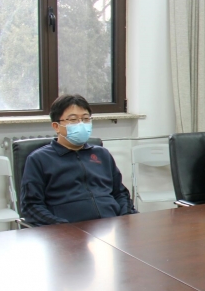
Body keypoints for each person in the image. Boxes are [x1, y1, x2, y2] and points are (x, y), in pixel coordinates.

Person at [20, 94, 137, 226]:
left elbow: (120, 193)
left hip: (111, 226)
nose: (81, 124)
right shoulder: (39, 159)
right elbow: (31, 206)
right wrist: (62, 227)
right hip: (69, 230)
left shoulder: (102, 154)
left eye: (86, 119)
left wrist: (126, 218)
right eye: (73, 120)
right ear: (56, 126)